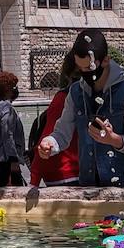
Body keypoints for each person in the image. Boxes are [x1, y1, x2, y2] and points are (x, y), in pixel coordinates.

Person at [36, 28, 124, 187]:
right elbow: (62, 133)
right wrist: (49, 144)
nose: (84, 73)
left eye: (89, 68)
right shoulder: (75, 92)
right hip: (87, 184)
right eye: (80, 68)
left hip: (121, 186)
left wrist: (113, 139)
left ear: (106, 60)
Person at [29, 53, 81, 187]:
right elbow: (48, 138)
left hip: (69, 172)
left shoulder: (63, 98)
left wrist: (35, 177)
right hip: (67, 174)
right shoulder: (65, 99)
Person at [0, 71, 26, 188]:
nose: (16, 89)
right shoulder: (6, 107)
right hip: (6, 157)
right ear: (7, 89)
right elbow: (7, 133)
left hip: (1, 156)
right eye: (14, 87)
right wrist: (13, 159)